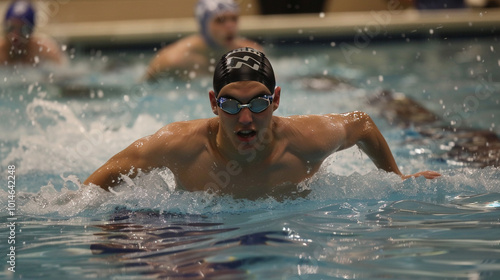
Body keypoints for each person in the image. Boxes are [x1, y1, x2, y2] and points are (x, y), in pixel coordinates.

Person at [85, 47, 441, 200]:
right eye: (230, 104)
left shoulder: (307, 140)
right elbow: (96, 183)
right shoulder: (180, 144)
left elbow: (362, 124)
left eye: (258, 103)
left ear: (276, 101)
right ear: (213, 103)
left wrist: (398, 178)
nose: (245, 119)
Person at [143, 0, 262, 82]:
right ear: (204, 25)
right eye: (220, 20)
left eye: (234, 19)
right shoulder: (173, 59)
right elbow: (145, 87)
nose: (230, 26)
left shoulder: (251, 53)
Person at [0, 0, 66, 66]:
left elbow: (63, 71)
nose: (15, 36)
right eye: (11, 28)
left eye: (23, 30)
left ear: (31, 31)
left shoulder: (44, 51)